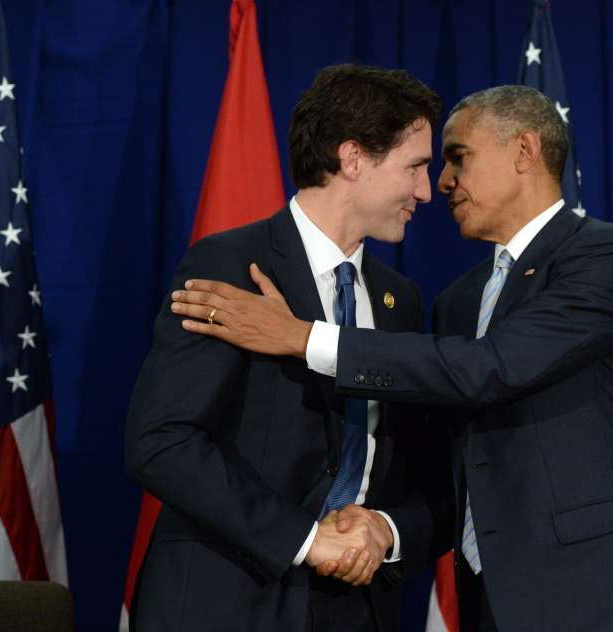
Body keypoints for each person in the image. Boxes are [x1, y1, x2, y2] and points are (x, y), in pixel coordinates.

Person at [171, 85, 613, 631]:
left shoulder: (605, 256)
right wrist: (385, 528)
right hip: (489, 600)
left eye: (457, 158)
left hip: (597, 597)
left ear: (524, 151)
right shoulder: (456, 302)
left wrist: (304, 338)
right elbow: (446, 467)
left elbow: (492, 367)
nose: (440, 184)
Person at [126, 64, 448, 632]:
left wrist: (386, 530)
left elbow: (423, 475)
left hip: (358, 609)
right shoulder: (230, 266)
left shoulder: (402, 301)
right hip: (227, 602)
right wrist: (304, 539)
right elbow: (162, 441)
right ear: (353, 158)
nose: (427, 190)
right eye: (416, 166)